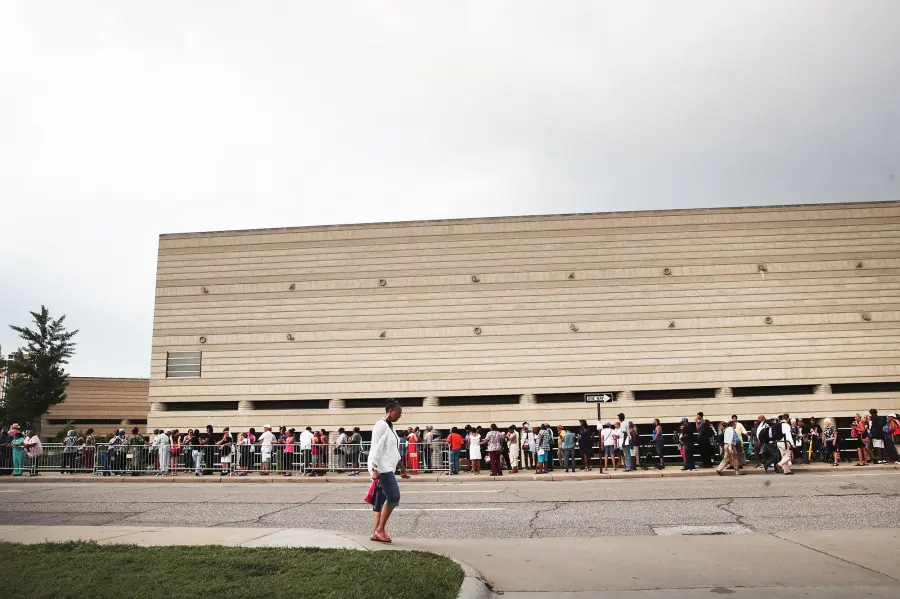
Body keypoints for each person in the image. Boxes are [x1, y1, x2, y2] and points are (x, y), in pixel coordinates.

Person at [369, 399, 407, 544]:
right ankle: (380, 530)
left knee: (382, 499)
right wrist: (374, 469)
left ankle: (376, 532)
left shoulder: (390, 427)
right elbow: (376, 448)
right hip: (381, 468)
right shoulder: (381, 425)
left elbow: (393, 449)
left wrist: (401, 466)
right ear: (390, 410)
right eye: (398, 413)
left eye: (400, 414)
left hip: (387, 467)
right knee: (394, 496)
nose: (399, 416)